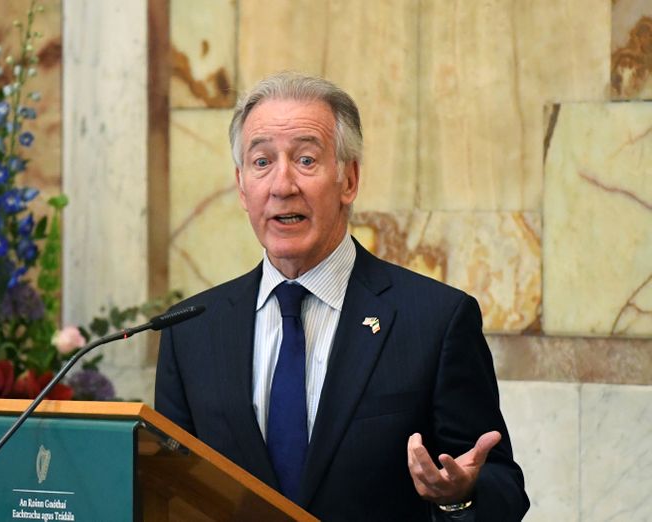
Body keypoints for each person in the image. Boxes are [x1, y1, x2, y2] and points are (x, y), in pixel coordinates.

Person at [155, 72, 529, 521]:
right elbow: (169, 491)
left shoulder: (434, 321)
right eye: (261, 162)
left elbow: (502, 487)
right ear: (241, 187)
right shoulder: (190, 331)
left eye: (306, 160)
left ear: (348, 179)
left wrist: (457, 496)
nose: (282, 184)